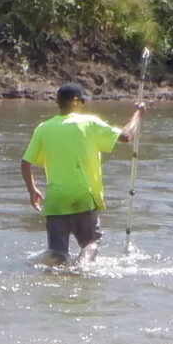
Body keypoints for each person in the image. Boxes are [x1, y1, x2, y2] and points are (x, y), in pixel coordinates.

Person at [21, 82, 144, 263]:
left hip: (55, 200)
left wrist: (32, 190)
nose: (84, 106)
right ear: (75, 101)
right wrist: (138, 114)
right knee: (91, 243)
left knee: (57, 254)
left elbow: (25, 163)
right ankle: (82, 270)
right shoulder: (89, 123)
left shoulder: (43, 128)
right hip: (83, 197)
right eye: (82, 102)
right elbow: (126, 136)